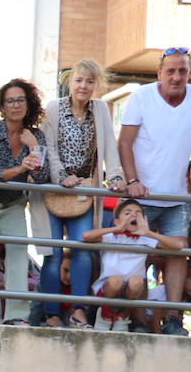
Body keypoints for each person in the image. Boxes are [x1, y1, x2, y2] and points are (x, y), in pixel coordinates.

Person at [117, 47, 191, 336]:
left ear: (190, 73)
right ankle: (137, 319)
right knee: (137, 254)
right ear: (159, 73)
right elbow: (124, 141)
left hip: (177, 195)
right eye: (170, 71)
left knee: (178, 254)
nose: (176, 77)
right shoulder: (141, 96)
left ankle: (173, 318)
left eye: (182, 70)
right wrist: (132, 180)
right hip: (143, 193)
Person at [32, 59, 125, 330]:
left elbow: (109, 145)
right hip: (54, 188)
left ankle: (79, 311)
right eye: (79, 80)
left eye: (90, 81)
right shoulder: (54, 108)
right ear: (70, 83)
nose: (84, 86)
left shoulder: (100, 110)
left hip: (85, 190)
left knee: (82, 250)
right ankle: (50, 314)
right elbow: (48, 147)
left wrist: (116, 176)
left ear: (97, 85)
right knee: (52, 254)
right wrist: (62, 177)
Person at [0, 78, 49, 325]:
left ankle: (16, 316)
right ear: (2, 106)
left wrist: (34, 147)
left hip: (14, 204)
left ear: (29, 104)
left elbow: (42, 175)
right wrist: (19, 169)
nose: (15, 105)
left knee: (18, 255)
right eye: (10, 101)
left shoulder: (36, 135)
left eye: (20, 100)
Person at [84, 197, 185, 333]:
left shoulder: (145, 240)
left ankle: (122, 317)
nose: (133, 215)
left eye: (138, 214)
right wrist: (117, 227)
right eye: (127, 213)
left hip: (132, 287)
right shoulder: (111, 237)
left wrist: (149, 233)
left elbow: (178, 245)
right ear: (117, 220)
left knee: (137, 281)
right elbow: (87, 236)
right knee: (116, 281)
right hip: (108, 286)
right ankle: (105, 317)